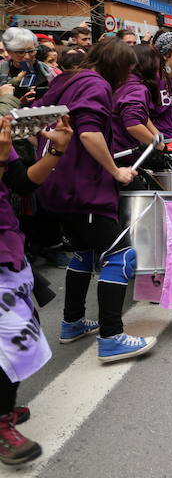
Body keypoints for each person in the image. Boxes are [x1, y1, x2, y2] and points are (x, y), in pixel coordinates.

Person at [35, 37, 157, 362]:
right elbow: (89, 133)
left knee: (85, 253)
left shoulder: (69, 78)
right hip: (84, 188)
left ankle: (73, 322)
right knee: (121, 256)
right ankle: (112, 337)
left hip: (58, 184)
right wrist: (115, 171)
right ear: (117, 67)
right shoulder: (96, 85)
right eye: (127, 71)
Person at [0, 112, 73, 464]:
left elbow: (21, 182)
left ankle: (4, 408)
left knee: (18, 337)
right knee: (8, 342)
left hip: (7, 247)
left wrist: (55, 152)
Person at [109, 43, 165, 177]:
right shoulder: (137, 89)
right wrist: (160, 147)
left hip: (112, 153)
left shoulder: (122, 82)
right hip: (121, 157)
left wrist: (157, 136)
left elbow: (142, 117)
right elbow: (133, 124)